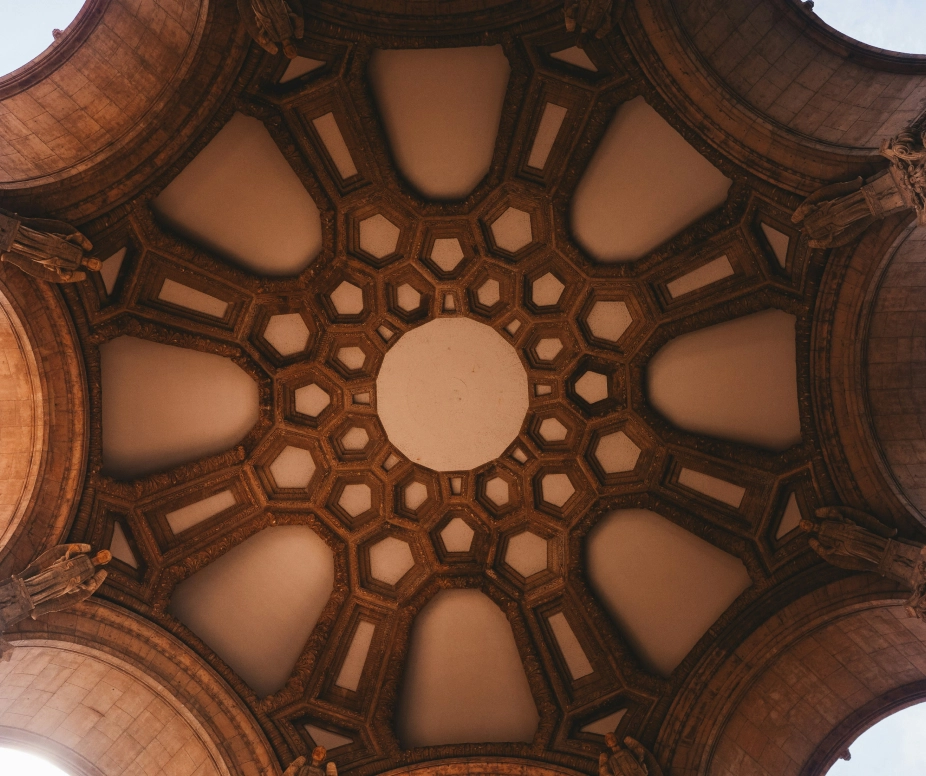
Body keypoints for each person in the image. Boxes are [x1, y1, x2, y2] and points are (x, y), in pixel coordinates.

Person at [0, 544, 111, 661]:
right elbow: (67, 554)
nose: (103, 557)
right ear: (100, 552)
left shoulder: (91, 572)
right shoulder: (83, 557)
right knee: (41, 579)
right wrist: (78, 549)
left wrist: (97, 579)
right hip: (55, 572)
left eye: (105, 558)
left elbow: (83, 589)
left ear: (104, 563)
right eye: (104, 554)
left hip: (61, 586)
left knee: (45, 592)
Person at [0, 209, 100, 283]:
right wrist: (77, 238)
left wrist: (64, 274)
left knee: (24, 247)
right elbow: (71, 238)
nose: (94, 264)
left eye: (95, 266)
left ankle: (5, 238)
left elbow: (58, 268)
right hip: (51, 241)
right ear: (94, 258)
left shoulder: (73, 266)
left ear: (91, 269)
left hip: (45, 255)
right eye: (96, 262)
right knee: (29, 234)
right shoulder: (80, 250)